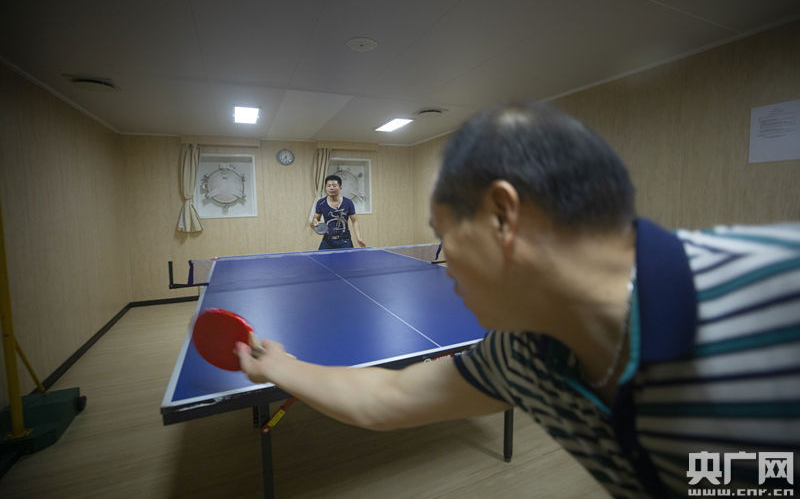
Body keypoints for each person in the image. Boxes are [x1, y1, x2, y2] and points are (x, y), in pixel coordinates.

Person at [239, 102, 800, 497]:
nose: (445, 264)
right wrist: (282, 367)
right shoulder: (524, 357)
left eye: (445, 235)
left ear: (503, 217)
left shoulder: (777, 286)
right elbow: (386, 396)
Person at [311, 174, 366, 250]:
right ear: (326, 188)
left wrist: (358, 238)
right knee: (321, 258)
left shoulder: (348, 202)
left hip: (345, 240)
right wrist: (315, 224)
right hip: (327, 241)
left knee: (347, 258)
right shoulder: (321, 203)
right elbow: (315, 220)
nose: (331, 188)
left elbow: (355, 221)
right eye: (329, 186)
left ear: (340, 188)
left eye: (334, 185)